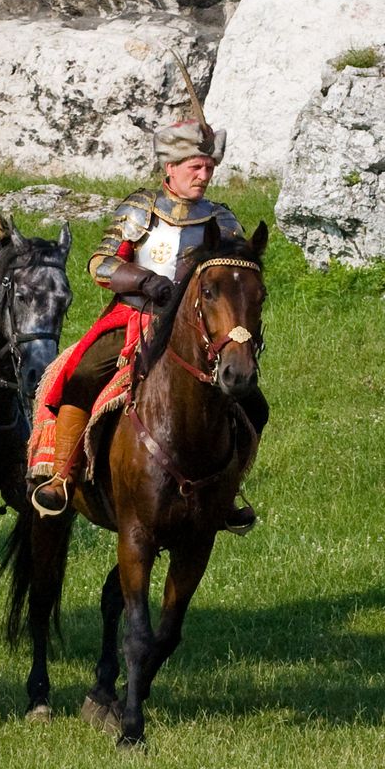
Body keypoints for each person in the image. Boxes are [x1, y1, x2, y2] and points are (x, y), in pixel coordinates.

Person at [31, 116, 268, 513]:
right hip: (135, 317)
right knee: (81, 374)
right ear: (170, 168)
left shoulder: (222, 219)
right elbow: (100, 264)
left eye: (208, 167)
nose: (204, 175)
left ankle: (226, 494)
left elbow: (234, 274)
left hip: (198, 327)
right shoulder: (141, 209)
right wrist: (144, 281)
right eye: (195, 167)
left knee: (253, 403)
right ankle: (61, 477)